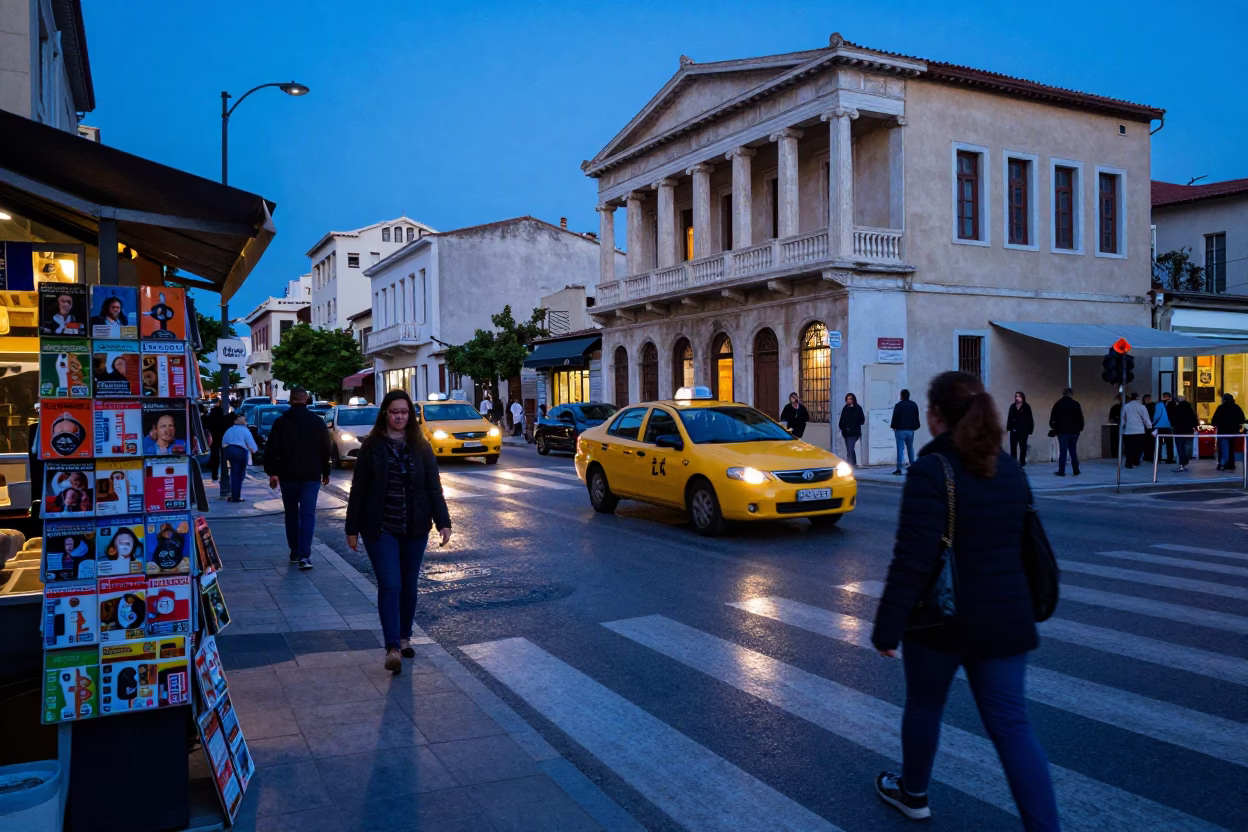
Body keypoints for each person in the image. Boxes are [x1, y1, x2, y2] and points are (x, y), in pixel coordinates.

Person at [871, 371, 1058, 829]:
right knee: (1013, 729)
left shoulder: (931, 470)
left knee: (924, 705)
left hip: (941, 621)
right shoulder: (1009, 467)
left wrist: (887, 625)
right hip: (1006, 621)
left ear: (935, 418)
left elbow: (913, 557)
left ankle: (913, 793)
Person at [345, 390, 452, 673]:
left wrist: (444, 522)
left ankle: (404, 638)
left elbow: (433, 488)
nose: (400, 417)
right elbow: (359, 489)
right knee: (391, 585)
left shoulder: (421, 446)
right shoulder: (372, 446)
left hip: (415, 527)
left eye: (404, 412)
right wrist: (351, 528)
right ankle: (392, 646)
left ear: (410, 415)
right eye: (395, 412)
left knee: (408, 586)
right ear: (385, 414)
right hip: (380, 528)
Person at [264, 386, 332, 569]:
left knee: (291, 514)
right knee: (307, 514)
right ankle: (305, 555)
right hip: (311, 474)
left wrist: (272, 472)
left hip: (288, 474)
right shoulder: (317, 422)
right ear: (307, 400)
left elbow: (271, 449)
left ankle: (294, 551)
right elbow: (326, 448)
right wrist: (326, 471)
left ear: (291, 400)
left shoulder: (281, 422)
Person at [221, 413, 258, 503]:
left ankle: (234, 496)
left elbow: (223, 442)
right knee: (240, 475)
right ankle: (237, 496)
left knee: (234, 473)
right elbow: (252, 445)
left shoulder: (229, 430)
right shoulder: (245, 431)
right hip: (240, 452)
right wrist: (254, 451)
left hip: (229, 452)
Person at [1049, 387, 1084, 477]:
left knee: (1063, 451)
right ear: (1071, 394)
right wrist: (1079, 429)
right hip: (1074, 432)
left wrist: (1055, 428)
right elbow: (1080, 418)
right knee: (1073, 451)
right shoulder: (1076, 404)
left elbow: (1052, 419)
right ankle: (1076, 470)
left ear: (1063, 394)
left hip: (1062, 432)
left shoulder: (1058, 404)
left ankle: (1061, 471)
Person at [1211, 392, 1247, 472]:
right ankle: (1231, 464)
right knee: (1231, 448)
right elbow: (1242, 419)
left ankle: (1222, 464)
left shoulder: (1221, 408)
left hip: (1223, 431)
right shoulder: (1236, 408)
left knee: (1223, 448)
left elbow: (1214, 421)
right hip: (1233, 432)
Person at [890, 389, 920, 475]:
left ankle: (899, 468)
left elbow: (895, 417)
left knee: (900, 449)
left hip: (900, 430)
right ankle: (913, 467)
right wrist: (916, 426)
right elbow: (916, 417)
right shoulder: (914, 405)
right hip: (911, 430)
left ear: (902, 396)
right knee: (910, 448)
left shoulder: (898, 405)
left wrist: (893, 426)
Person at [1120, 393, 1152, 469]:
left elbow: (1123, 418)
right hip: (1139, 429)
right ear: (1138, 398)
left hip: (1129, 429)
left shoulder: (1126, 406)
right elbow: (1146, 418)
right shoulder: (1141, 406)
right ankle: (1136, 461)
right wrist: (1149, 426)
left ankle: (1128, 463)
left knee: (1129, 447)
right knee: (1139, 447)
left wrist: (1122, 426)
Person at [1169, 394, 1199, 472]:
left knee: (1180, 448)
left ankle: (1182, 463)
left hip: (1179, 431)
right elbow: (1194, 419)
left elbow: (1172, 420)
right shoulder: (1189, 408)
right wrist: (1195, 426)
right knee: (1188, 446)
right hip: (1189, 430)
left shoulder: (1176, 409)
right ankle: (1186, 459)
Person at [1005, 392, 1034, 468]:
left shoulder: (1026, 407)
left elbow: (1030, 419)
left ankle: (1022, 461)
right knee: (1013, 446)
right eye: (1016, 396)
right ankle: (1013, 462)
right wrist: (1008, 428)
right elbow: (1009, 418)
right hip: (1014, 430)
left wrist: (1030, 430)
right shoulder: (1012, 406)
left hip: (1024, 430)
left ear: (1023, 397)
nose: (1017, 398)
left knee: (1023, 446)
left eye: (1019, 396)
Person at [205, 402, 228, 488]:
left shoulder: (209, 419)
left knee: (215, 458)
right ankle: (224, 475)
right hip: (222, 440)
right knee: (224, 459)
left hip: (212, 440)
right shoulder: (223, 420)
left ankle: (214, 475)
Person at [838, 393, 864, 465]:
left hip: (853, 433)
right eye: (847, 398)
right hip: (846, 432)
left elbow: (862, 420)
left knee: (850, 449)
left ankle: (850, 464)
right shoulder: (845, 408)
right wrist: (842, 428)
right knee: (850, 449)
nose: (848, 400)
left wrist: (853, 425)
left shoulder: (857, 408)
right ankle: (854, 463)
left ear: (853, 400)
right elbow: (842, 419)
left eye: (850, 398)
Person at [1154, 392, 1175, 465]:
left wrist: (1153, 423)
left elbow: (1156, 415)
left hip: (1159, 425)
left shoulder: (1158, 404)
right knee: (1169, 443)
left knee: (1159, 443)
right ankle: (1170, 458)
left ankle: (1158, 458)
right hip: (1168, 425)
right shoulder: (1173, 404)